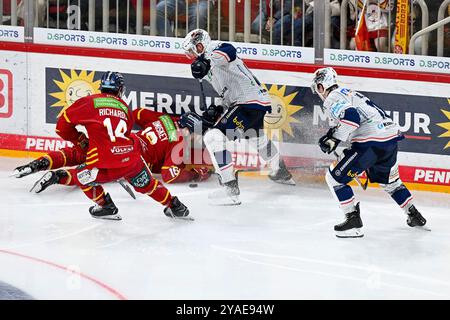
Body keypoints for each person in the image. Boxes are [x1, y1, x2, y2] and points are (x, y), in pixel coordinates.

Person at [20, 72, 190, 221]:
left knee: (82, 176)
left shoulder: (89, 102)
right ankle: (176, 206)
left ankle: (106, 206)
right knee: (148, 185)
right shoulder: (125, 108)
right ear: (120, 90)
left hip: (105, 159)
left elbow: (61, 127)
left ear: (101, 87)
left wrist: (80, 140)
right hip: (132, 158)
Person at [180, 29, 295, 206]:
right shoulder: (209, 69)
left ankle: (230, 189)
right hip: (254, 103)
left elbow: (229, 51)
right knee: (258, 139)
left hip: (248, 102)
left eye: (191, 51)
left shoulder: (214, 49)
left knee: (214, 137)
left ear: (200, 45)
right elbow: (226, 92)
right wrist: (217, 108)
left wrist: (205, 60)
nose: (190, 56)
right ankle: (281, 172)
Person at [311, 67, 427, 238]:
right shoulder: (349, 92)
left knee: (334, 179)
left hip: (370, 143)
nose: (318, 92)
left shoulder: (333, 97)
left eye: (317, 88)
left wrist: (333, 139)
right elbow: (355, 119)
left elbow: (351, 119)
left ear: (321, 86)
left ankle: (352, 222)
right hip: (389, 139)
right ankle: (413, 214)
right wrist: (334, 135)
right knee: (391, 183)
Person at [13, 109, 211, 185]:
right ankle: (60, 177)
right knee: (93, 173)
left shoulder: (165, 119)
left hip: (122, 139)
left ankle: (40, 163)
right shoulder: (179, 140)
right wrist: (195, 174)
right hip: (130, 158)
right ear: (189, 131)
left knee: (80, 152)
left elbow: (138, 113)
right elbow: (170, 175)